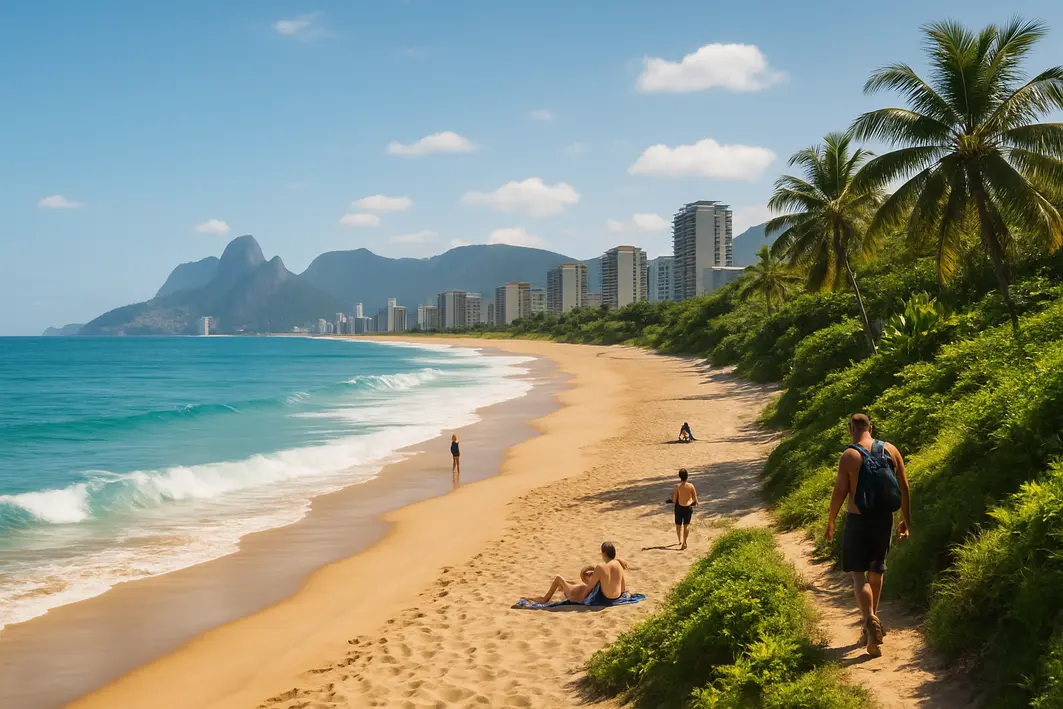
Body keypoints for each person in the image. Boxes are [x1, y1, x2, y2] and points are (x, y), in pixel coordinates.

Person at [825, 413, 911, 659]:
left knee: (859, 577)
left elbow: (841, 491)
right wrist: (906, 520)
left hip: (858, 521)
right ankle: (872, 624)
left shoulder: (849, 456)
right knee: (877, 571)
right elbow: (904, 487)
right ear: (870, 428)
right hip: (884, 519)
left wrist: (831, 520)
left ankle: (869, 620)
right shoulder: (891, 450)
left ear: (851, 429)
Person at [527, 542, 628, 605]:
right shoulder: (619, 564)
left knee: (559, 579)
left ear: (604, 553)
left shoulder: (600, 567)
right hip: (616, 597)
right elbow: (623, 588)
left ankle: (545, 599)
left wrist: (580, 598)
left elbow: (589, 588)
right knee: (579, 586)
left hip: (604, 600)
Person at [667, 468, 699, 550]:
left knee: (678, 525)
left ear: (679, 476)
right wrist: (696, 503)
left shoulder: (678, 486)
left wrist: (670, 501)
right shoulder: (691, 486)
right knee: (686, 525)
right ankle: (685, 541)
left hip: (679, 508)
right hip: (688, 508)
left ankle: (679, 540)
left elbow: (674, 500)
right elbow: (695, 498)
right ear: (687, 476)